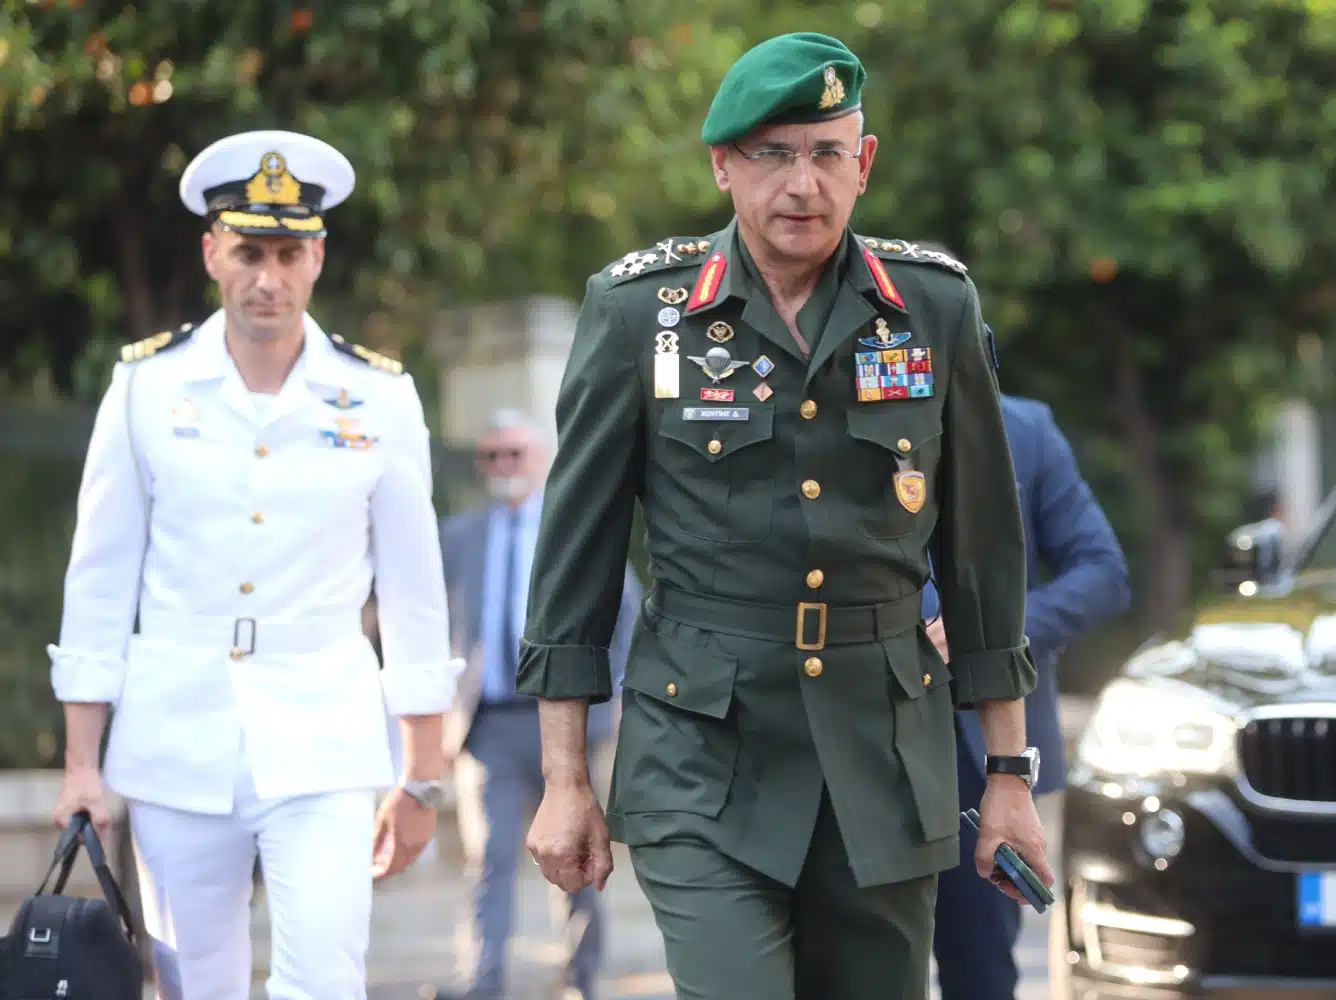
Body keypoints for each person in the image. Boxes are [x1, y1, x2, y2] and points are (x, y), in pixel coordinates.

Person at [514, 31, 1050, 1000]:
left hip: (883, 760)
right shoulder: (641, 313)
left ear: (864, 164)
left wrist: (1008, 774)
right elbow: (575, 558)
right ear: (723, 165)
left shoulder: (931, 307)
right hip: (703, 756)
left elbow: (982, 560)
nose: (802, 184)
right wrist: (565, 778)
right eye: (772, 154)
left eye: (826, 153)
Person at [46, 129, 461, 1000]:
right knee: (196, 984)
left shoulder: (379, 398)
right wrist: (83, 761)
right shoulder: (147, 389)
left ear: (317, 258)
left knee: (326, 981)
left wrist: (422, 775)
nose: (267, 278)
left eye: (286, 253)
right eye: (248, 252)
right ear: (212, 254)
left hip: (324, 735)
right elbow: (99, 580)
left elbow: (416, 594)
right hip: (176, 734)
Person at [926, 392, 1131, 1000]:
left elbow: (1104, 574)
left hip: (980, 754)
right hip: (854, 738)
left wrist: (994, 633)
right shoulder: (829, 409)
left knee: (981, 974)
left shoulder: (1025, 430)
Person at [434, 408, 641, 1000]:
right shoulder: (458, 537)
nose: (504, 465)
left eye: (515, 453)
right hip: (489, 725)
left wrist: (618, 696)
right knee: (488, 857)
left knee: (576, 855)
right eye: (493, 455)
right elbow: (432, 622)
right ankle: (482, 983)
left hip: (571, 721)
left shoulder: (574, 528)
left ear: (541, 459)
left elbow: (627, 611)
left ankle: (580, 979)